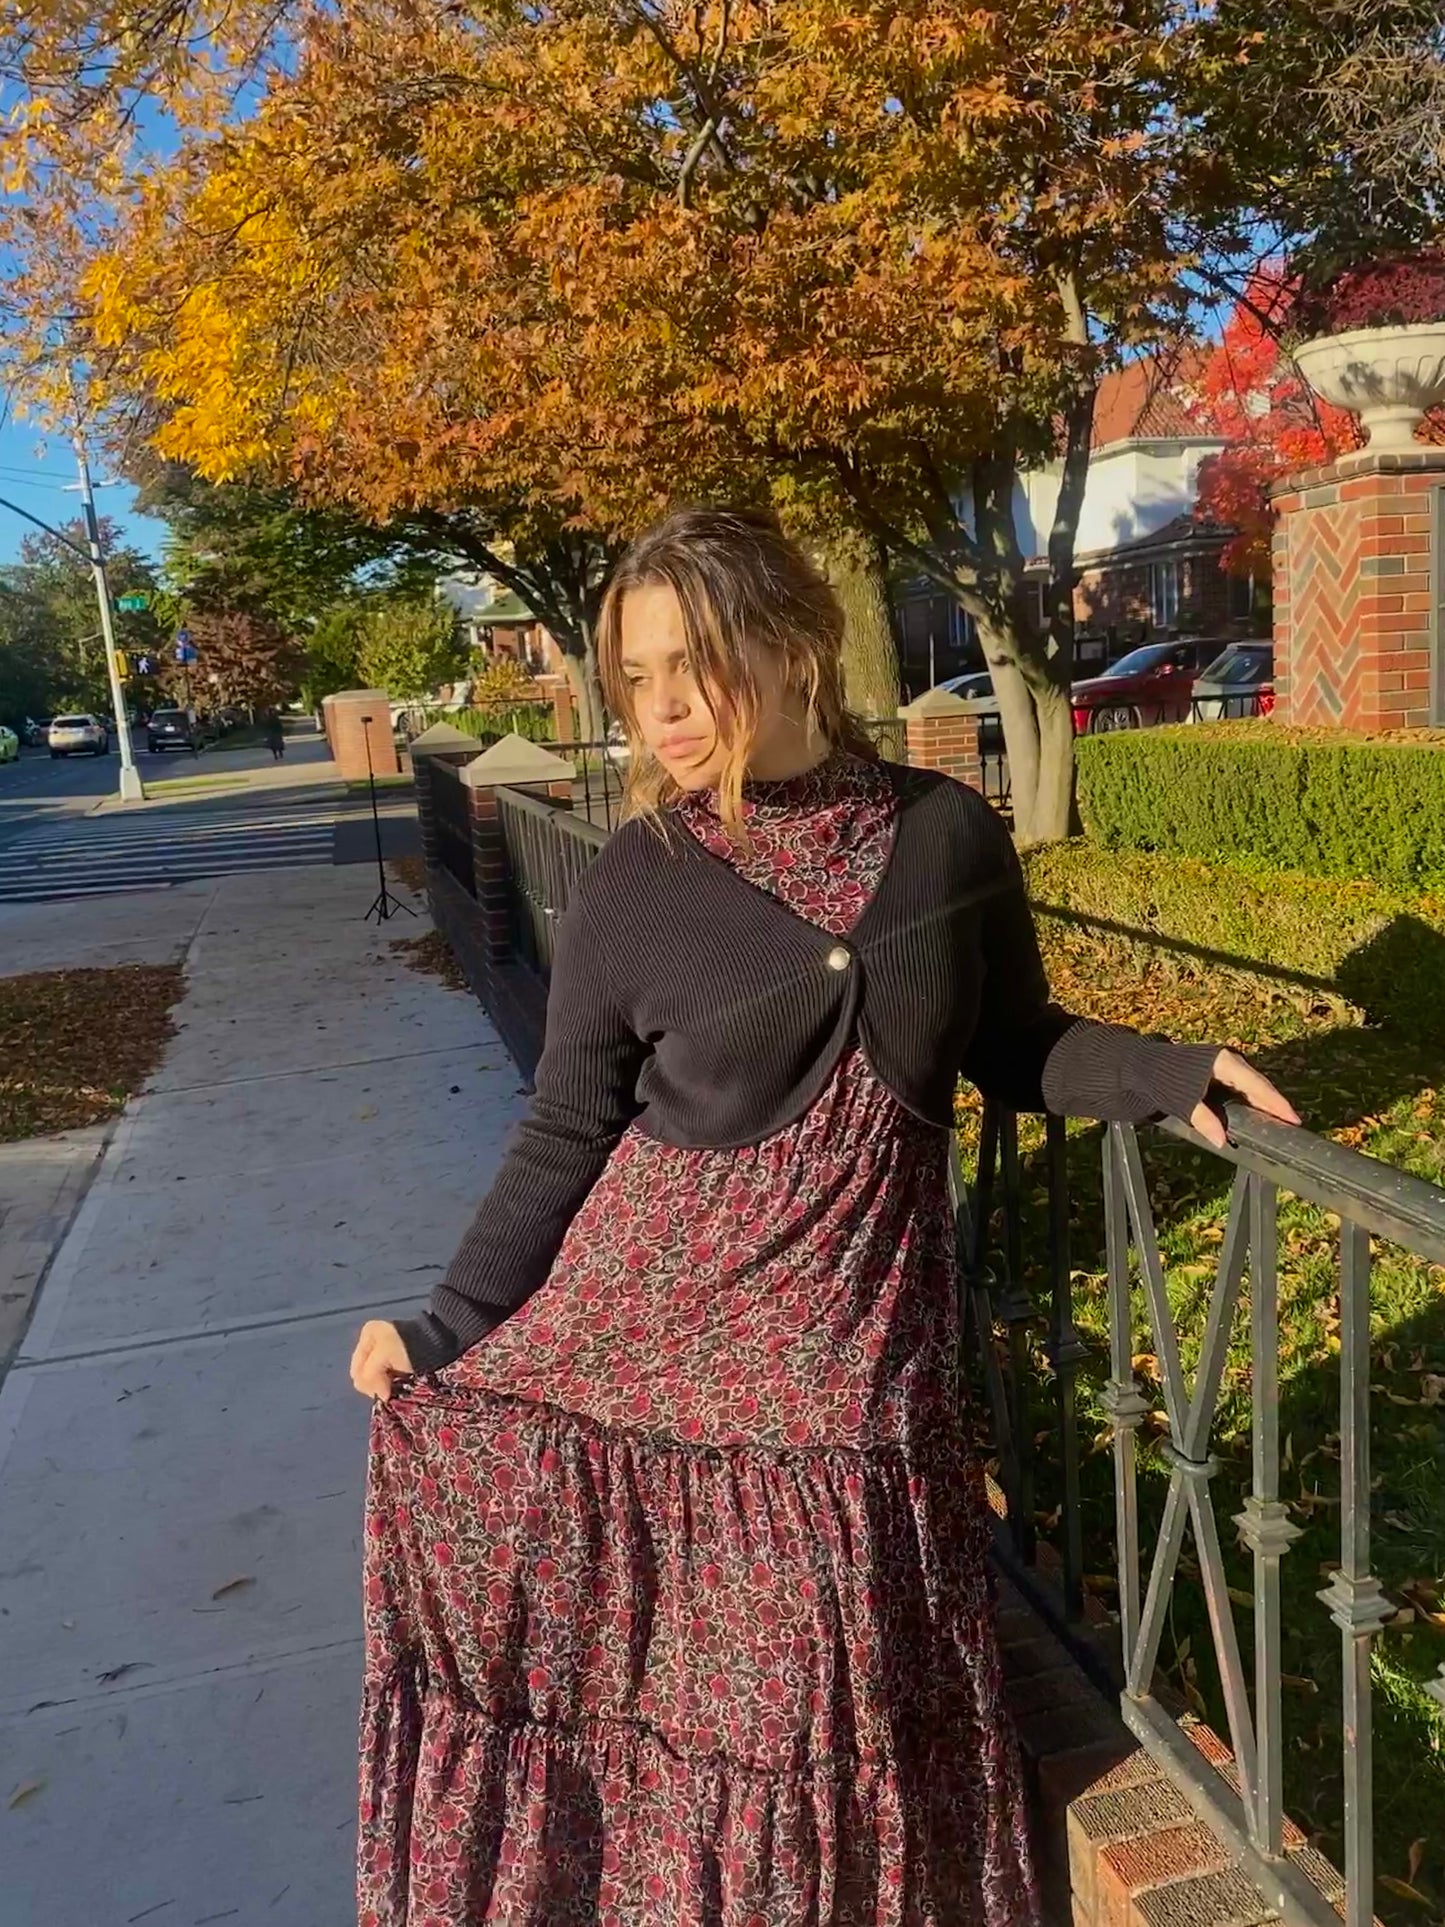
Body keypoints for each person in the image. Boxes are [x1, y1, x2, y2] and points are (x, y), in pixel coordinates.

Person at [349, 507, 1298, 1926]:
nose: (660, 709)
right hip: (653, 1344)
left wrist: (1161, 1072)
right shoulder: (636, 878)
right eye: (634, 676)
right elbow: (564, 1127)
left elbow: (1006, 1038)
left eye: (693, 664)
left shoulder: (945, 838)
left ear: (792, 646)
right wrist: (447, 1326)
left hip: (850, 1370)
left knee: (810, 1721)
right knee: (691, 1727)